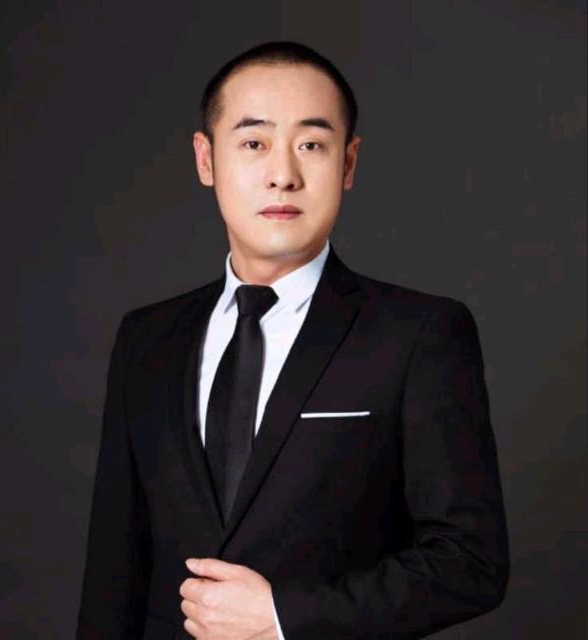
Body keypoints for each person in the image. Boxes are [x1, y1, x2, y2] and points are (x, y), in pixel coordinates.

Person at [76, 41, 510, 640]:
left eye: (311, 144)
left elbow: (471, 562)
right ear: (206, 159)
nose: (283, 174)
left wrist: (283, 616)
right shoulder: (147, 340)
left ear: (348, 163)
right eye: (254, 143)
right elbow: (113, 572)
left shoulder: (419, 334)